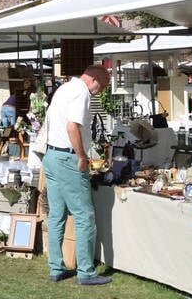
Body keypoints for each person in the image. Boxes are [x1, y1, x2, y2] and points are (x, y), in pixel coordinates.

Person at [42, 64, 112, 286]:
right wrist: (82, 155)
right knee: (84, 216)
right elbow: (73, 127)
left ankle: (56, 267)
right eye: (103, 86)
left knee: (56, 215)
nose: (101, 91)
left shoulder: (64, 88)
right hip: (67, 158)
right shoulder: (81, 93)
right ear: (95, 79)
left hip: (51, 156)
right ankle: (86, 272)